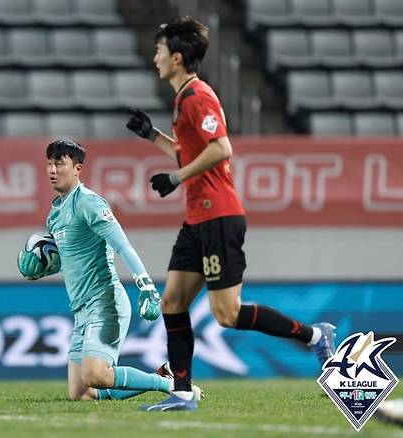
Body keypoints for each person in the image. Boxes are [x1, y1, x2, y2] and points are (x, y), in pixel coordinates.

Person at [125, 16, 336, 412]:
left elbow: (221, 148)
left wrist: (176, 177)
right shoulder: (183, 98)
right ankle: (183, 392)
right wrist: (152, 135)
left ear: (176, 57)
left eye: (158, 51)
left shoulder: (198, 96)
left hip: (219, 215)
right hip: (197, 219)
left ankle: (313, 335)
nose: (154, 58)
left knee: (227, 314)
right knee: (173, 301)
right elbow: (191, 151)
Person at [17, 139, 188, 402]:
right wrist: (40, 267)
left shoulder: (88, 203)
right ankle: (162, 374)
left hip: (105, 302)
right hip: (81, 309)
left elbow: (122, 245)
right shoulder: (55, 213)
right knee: (83, 393)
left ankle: (171, 384)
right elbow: (70, 258)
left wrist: (147, 287)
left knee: (96, 374)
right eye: (50, 163)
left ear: (77, 169)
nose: (52, 169)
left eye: (59, 163)